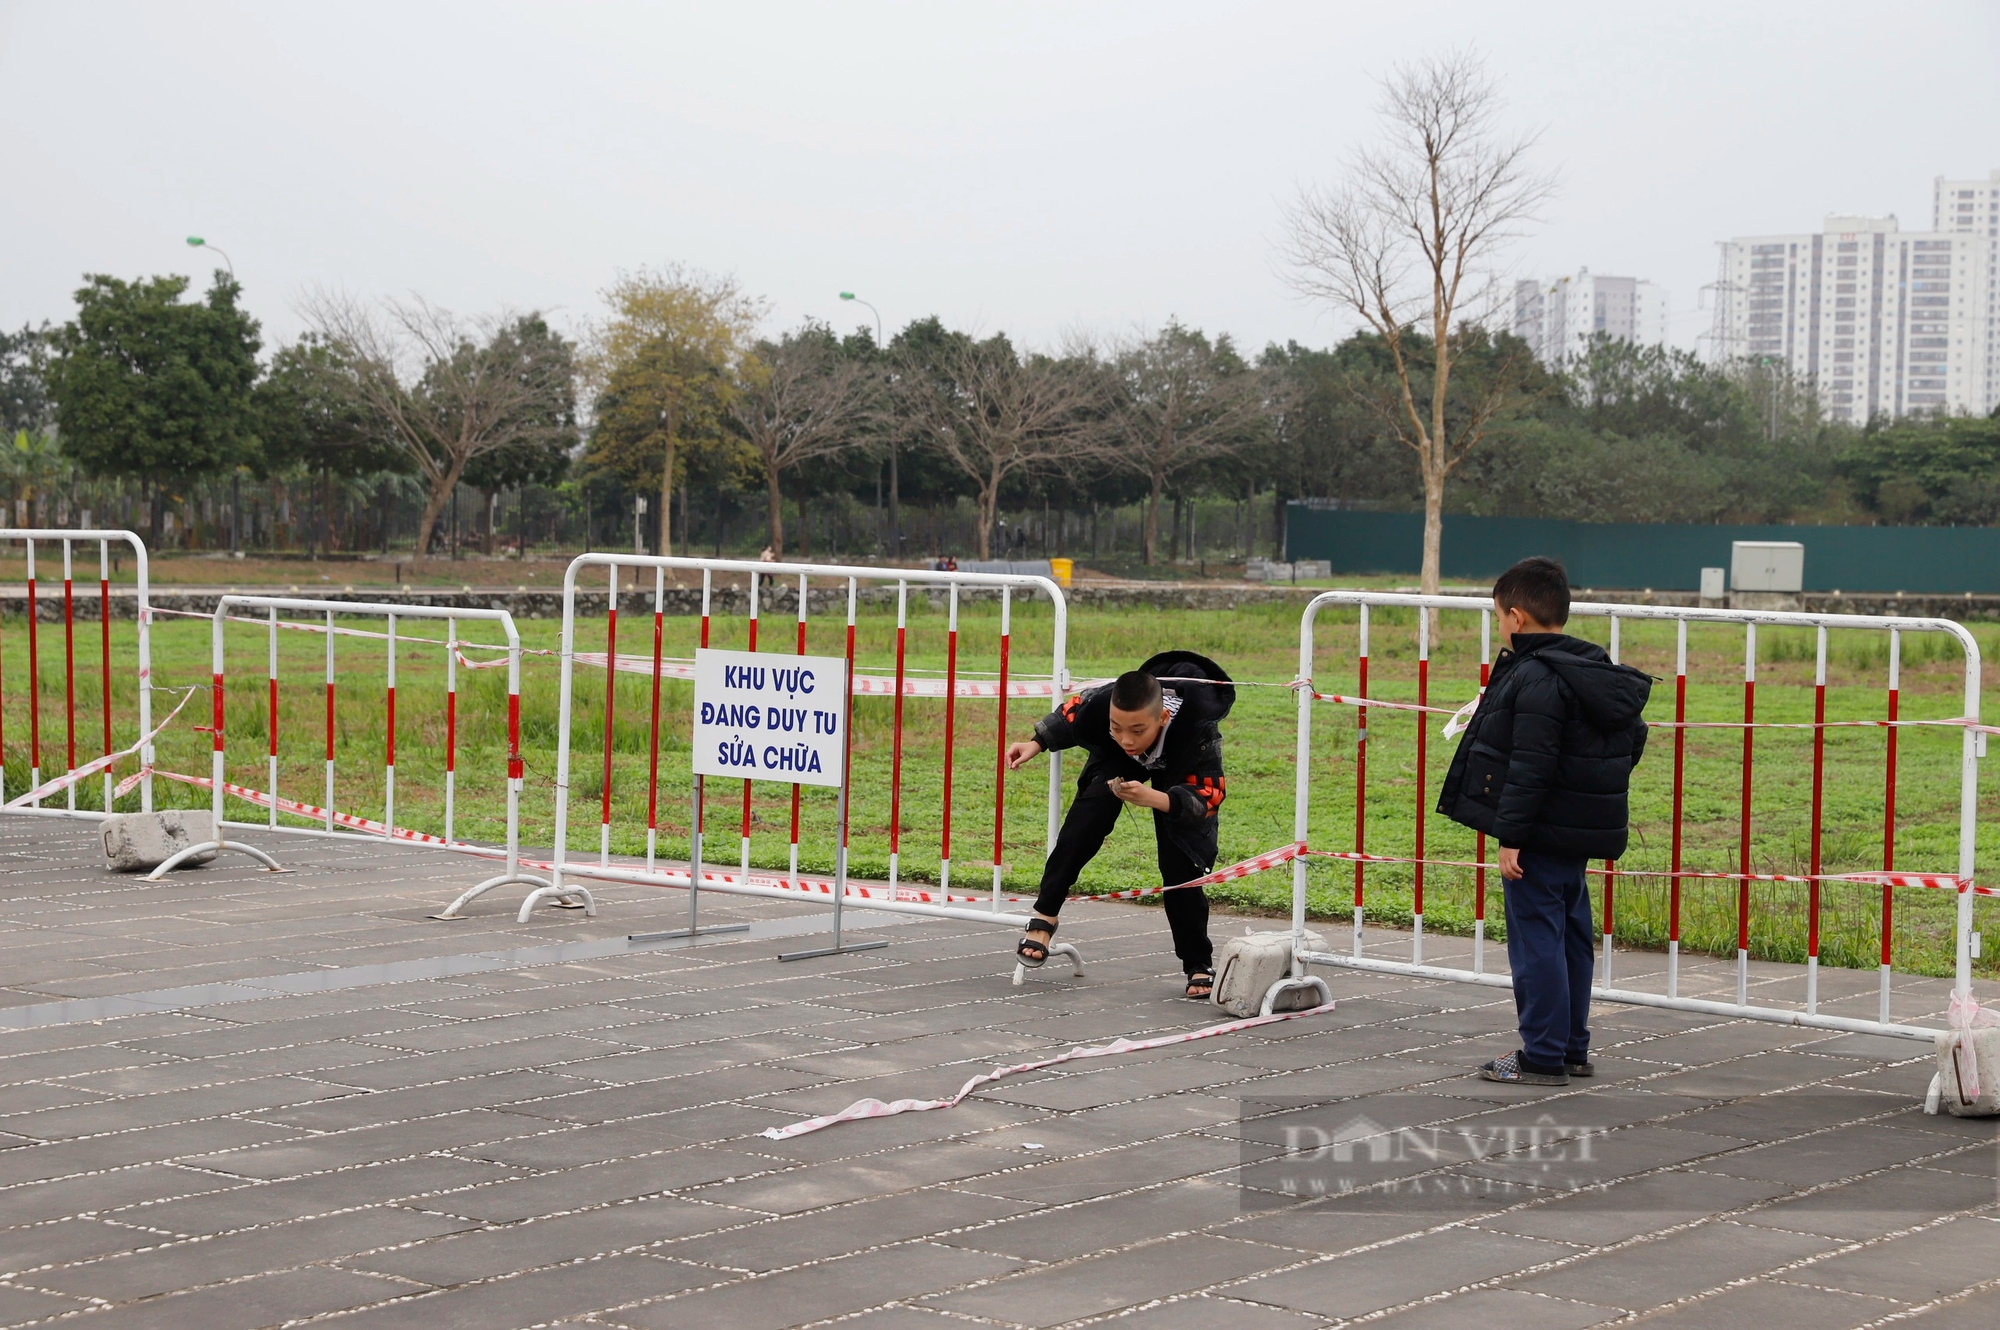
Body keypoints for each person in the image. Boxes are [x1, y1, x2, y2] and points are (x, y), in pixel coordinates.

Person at [1438, 557, 1650, 1086]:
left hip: (1538, 834)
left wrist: (1513, 836)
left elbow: (1528, 766)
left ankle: (1542, 1055)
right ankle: (1571, 1048)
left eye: (1497, 617)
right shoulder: (1594, 669)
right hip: (1578, 833)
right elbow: (1633, 737)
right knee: (1572, 939)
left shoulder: (1535, 676)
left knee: (1537, 946)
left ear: (1516, 617)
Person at [1004, 651, 1233, 998]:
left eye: (1137, 730)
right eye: (1117, 728)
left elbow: (1209, 796)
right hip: (1117, 767)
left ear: (1162, 717)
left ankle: (1197, 962)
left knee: (1180, 863)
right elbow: (1071, 715)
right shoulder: (1103, 705)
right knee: (1085, 821)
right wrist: (1035, 743)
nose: (1126, 739)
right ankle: (1045, 915)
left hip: (1179, 773)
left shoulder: (1197, 730)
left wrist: (1155, 798)